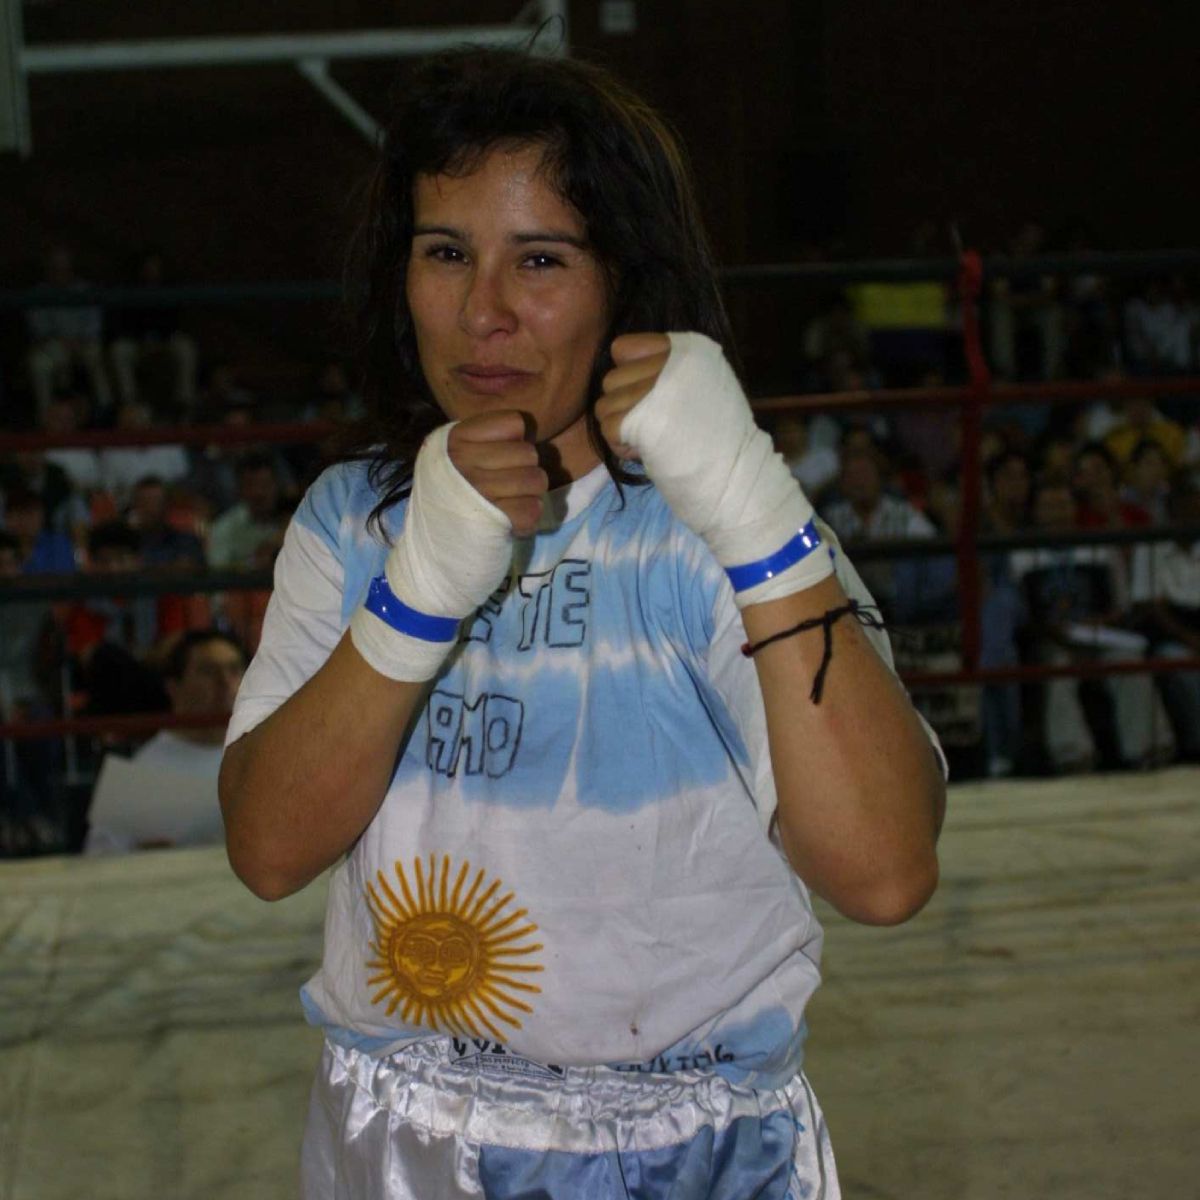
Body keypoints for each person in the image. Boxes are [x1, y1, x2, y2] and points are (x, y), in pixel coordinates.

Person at [220, 48, 945, 1200]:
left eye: (541, 259)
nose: (484, 311)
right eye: (445, 252)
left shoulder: (711, 535)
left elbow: (887, 872)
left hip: (700, 1152)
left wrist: (756, 516)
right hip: (404, 1143)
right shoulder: (354, 523)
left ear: (623, 279)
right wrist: (413, 600)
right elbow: (267, 850)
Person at [84, 629, 246, 853]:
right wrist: (139, 859)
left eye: (234, 669)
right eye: (208, 671)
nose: (225, 681)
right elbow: (97, 862)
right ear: (174, 688)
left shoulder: (267, 756)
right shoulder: (138, 774)